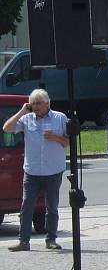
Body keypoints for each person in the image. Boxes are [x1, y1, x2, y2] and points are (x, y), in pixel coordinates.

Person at [3, 89, 68, 252]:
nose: (36, 106)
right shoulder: (26, 119)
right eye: (33, 103)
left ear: (47, 103)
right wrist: (21, 111)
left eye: (39, 103)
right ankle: (23, 241)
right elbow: (7, 128)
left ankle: (51, 239)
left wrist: (55, 138)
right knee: (26, 206)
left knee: (51, 207)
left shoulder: (59, 118)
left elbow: (68, 142)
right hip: (32, 171)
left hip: (53, 170)